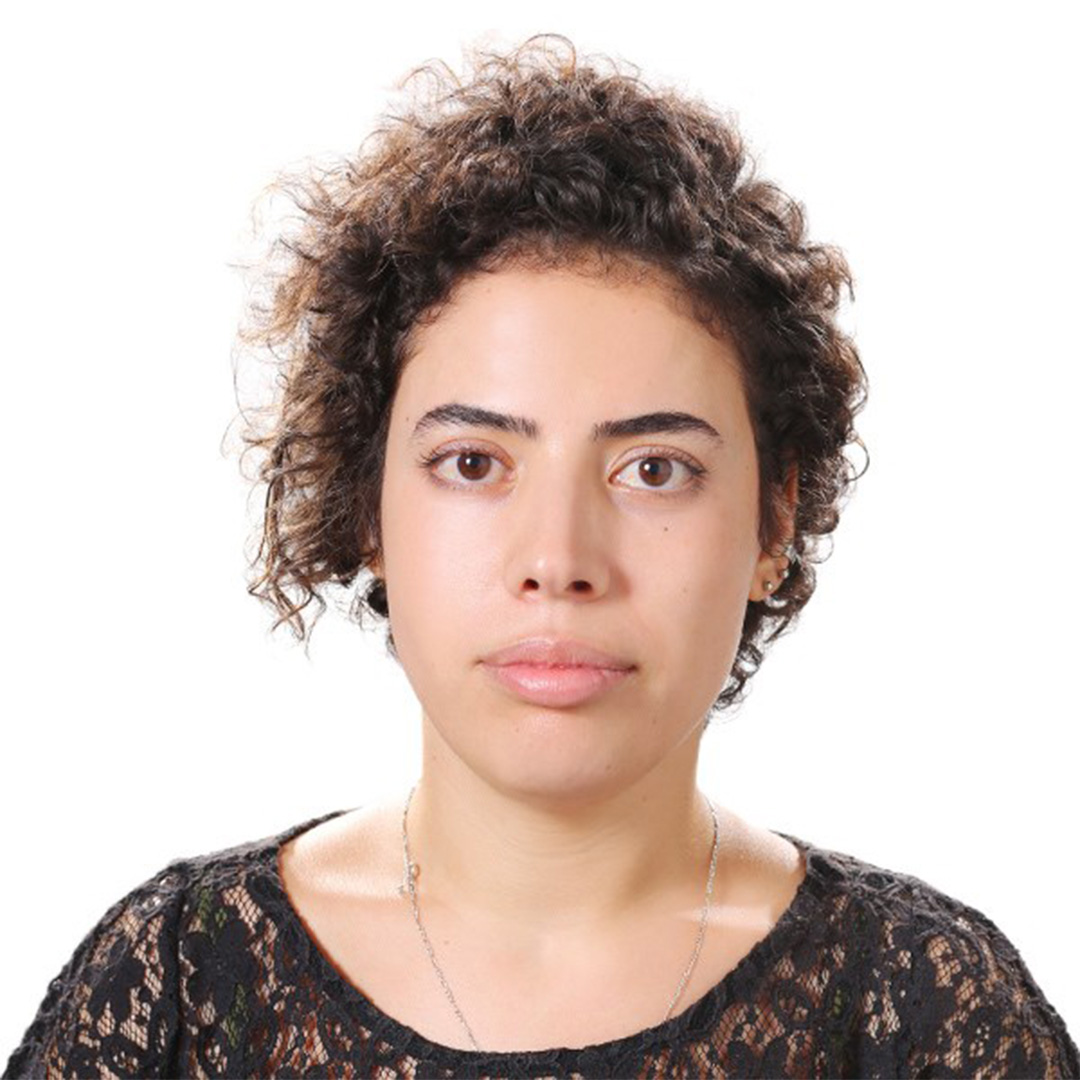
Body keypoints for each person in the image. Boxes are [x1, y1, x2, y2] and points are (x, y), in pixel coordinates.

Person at [5, 37, 1077, 1080]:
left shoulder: (928, 1010)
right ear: (367, 505)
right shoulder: (178, 982)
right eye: (474, 463)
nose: (558, 561)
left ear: (774, 521)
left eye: (653, 469)